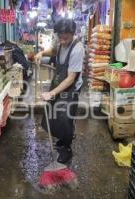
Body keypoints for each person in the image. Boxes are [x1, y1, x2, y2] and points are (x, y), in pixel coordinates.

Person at [35, 19, 85, 163]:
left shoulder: (77, 49)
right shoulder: (59, 41)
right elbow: (54, 50)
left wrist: (51, 93)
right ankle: (62, 140)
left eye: (66, 38)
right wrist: (42, 53)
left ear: (73, 34)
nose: (62, 41)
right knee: (54, 113)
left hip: (71, 87)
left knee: (65, 117)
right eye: (60, 37)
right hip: (59, 82)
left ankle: (67, 149)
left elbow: (70, 79)